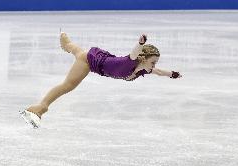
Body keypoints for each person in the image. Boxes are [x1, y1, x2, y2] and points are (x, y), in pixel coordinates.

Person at [20, 32, 182, 128]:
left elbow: (159, 72)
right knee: (68, 85)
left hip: (99, 60)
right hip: (90, 62)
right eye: (153, 61)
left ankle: (66, 43)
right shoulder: (131, 61)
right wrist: (140, 43)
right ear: (143, 58)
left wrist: (173, 74)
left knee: (77, 52)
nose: (154, 65)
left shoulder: (143, 70)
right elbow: (134, 52)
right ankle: (39, 108)